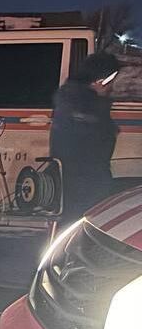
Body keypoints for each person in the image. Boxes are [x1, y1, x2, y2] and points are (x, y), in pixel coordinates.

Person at [52, 51, 121, 219]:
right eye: (108, 82)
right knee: (80, 222)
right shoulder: (81, 104)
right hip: (81, 181)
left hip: (86, 179)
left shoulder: (76, 100)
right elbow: (89, 144)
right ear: (98, 81)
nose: (111, 87)